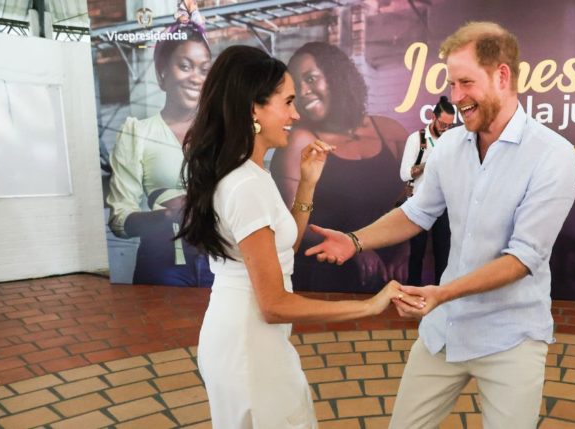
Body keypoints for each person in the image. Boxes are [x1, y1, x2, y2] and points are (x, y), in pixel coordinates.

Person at [305, 22, 575, 428]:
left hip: (511, 339)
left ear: (502, 75)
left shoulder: (553, 155)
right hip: (444, 331)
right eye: (452, 84)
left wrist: (442, 293)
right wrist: (354, 241)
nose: (456, 97)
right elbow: (416, 213)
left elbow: (524, 257)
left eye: (466, 82)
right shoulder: (450, 145)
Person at [175, 46, 419, 428]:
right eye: (287, 102)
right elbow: (274, 304)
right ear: (254, 109)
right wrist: (369, 307)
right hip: (249, 346)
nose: (295, 113)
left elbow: (281, 248)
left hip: (249, 339)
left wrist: (307, 185)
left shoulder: (249, 175)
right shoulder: (245, 185)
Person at [269, 41, 410, 294]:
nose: (304, 91)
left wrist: (404, 248)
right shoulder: (299, 142)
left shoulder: (390, 131)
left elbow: (411, 205)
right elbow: (291, 227)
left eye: (311, 79)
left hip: (392, 277)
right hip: (327, 279)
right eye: (296, 86)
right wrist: (352, 247)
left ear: (337, 78)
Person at [106, 21, 213, 286]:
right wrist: (163, 218)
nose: (196, 77)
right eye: (185, 66)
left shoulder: (223, 132)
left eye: (204, 69)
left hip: (221, 264)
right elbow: (120, 219)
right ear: (162, 73)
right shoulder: (137, 133)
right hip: (163, 266)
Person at [400, 96, 455, 285]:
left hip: (443, 204)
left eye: (449, 125)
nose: (445, 128)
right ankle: (411, 292)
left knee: (443, 253)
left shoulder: (452, 140)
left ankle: (442, 295)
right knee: (417, 252)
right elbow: (404, 174)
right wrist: (429, 164)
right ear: (433, 117)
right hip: (419, 203)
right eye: (442, 123)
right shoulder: (417, 139)